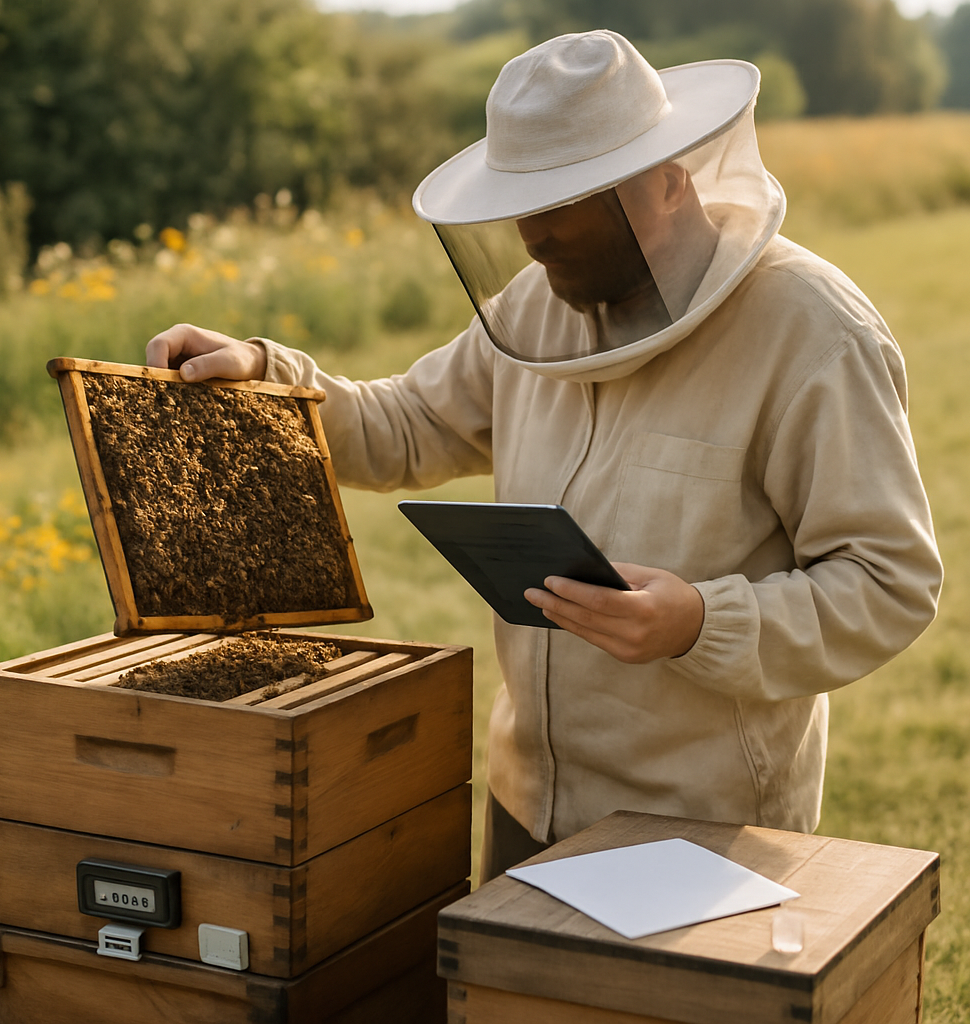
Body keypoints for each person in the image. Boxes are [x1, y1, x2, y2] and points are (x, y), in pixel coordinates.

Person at [146, 30, 943, 880]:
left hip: (702, 826)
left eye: (563, 204)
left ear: (668, 181)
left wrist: (701, 620)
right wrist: (268, 376)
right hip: (527, 798)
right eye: (521, 205)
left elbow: (888, 579)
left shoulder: (813, 332)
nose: (531, 237)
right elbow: (410, 422)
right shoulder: (535, 308)